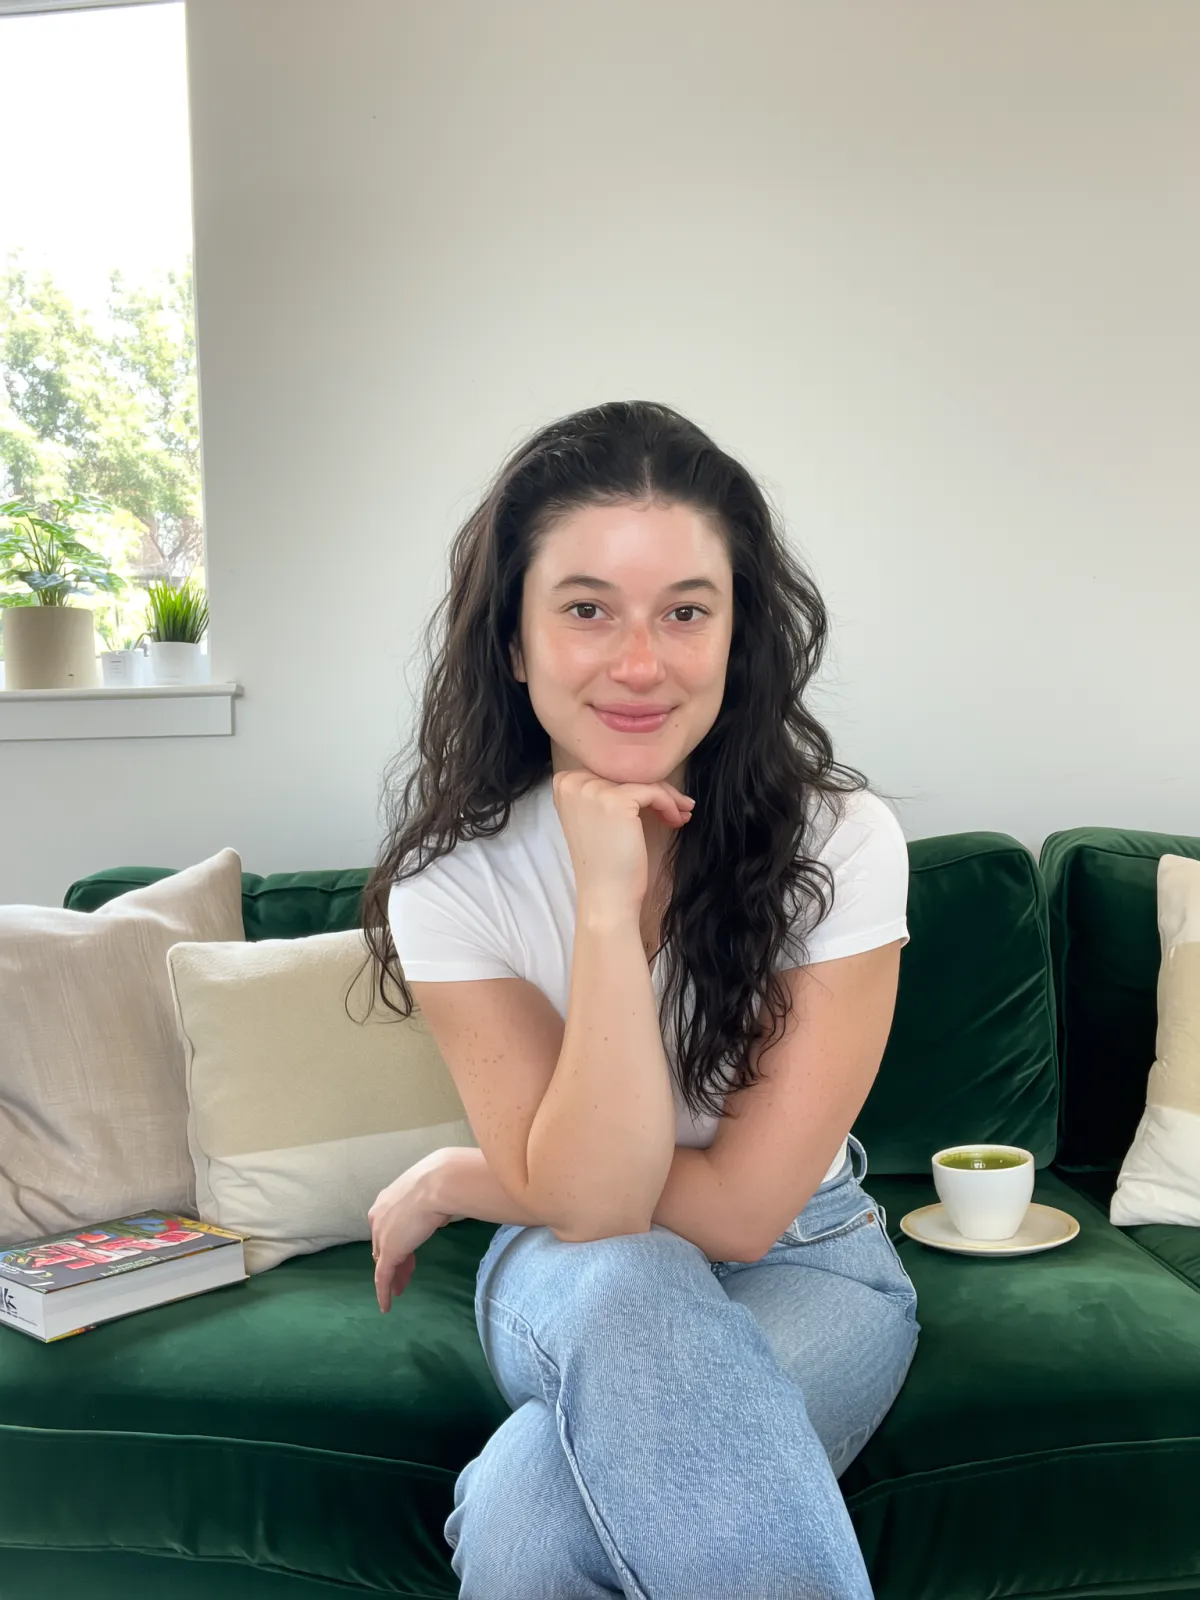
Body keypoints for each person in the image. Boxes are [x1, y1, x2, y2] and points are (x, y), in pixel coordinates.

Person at [357, 399, 920, 1599]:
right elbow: (599, 1212)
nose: (638, 661)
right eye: (585, 609)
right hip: (565, 1264)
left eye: (684, 611)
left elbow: (734, 1215)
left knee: (523, 1517)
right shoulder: (451, 884)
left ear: (737, 634)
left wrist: (468, 1175)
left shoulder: (847, 845)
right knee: (626, 1271)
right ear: (512, 639)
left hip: (809, 1262)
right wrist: (606, 912)